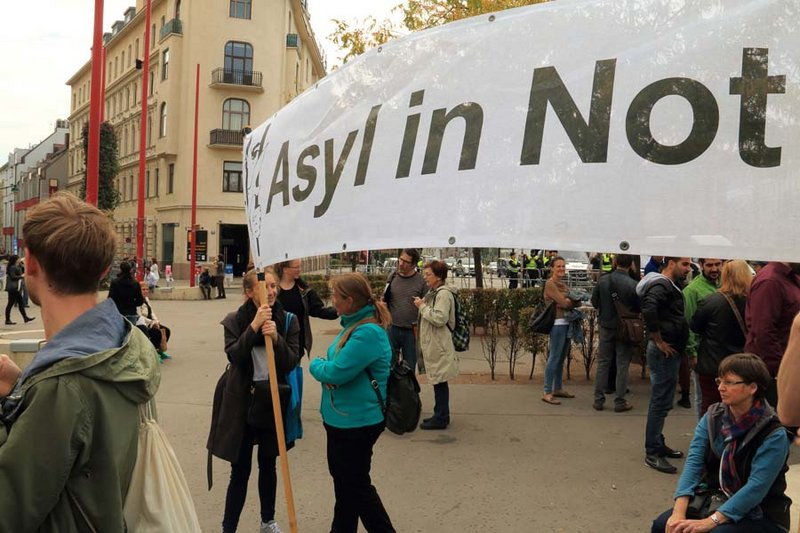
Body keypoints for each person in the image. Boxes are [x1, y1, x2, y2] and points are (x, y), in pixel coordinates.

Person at [0, 193, 160, 530]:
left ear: (30, 264)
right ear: (103, 270)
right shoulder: (126, 344)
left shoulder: (61, 387)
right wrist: (19, 389)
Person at [651, 353, 791, 533]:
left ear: (752, 387)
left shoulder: (772, 433)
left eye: (729, 383)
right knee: (663, 525)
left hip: (761, 511)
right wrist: (678, 513)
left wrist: (710, 522)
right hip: (715, 497)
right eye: (720, 381)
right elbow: (693, 463)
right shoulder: (713, 416)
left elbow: (756, 487)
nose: (720, 388)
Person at [209, 268, 301, 533]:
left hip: (272, 400)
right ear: (250, 292)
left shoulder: (288, 320)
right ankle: (229, 527)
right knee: (240, 470)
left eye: (273, 286)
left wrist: (276, 338)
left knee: (268, 465)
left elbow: (291, 361)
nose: (271, 292)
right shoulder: (235, 321)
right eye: (265, 287)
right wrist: (254, 327)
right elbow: (235, 356)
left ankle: (267, 521)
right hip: (242, 402)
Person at [309, 273, 395, 533]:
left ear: (349, 300)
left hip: (356, 423)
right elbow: (337, 366)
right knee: (346, 488)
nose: (332, 300)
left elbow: (335, 371)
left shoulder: (367, 332)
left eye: (335, 295)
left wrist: (317, 365)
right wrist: (329, 368)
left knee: (356, 488)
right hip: (342, 420)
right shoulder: (354, 325)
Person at [637, 257, 692, 473]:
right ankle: (652, 451)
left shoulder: (668, 285)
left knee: (664, 400)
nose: (688, 269)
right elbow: (649, 308)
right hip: (663, 352)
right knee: (660, 402)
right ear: (671, 263)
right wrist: (658, 340)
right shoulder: (661, 284)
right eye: (684, 264)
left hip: (670, 350)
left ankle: (657, 443)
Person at [691, 260, 752, 414]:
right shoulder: (754, 302)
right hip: (742, 364)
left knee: (711, 408)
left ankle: (710, 430)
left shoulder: (711, 301)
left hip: (712, 364)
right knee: (740, 408)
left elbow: (695, 327)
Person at [744, 262, 800, 406]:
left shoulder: (789, 277)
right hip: (772, 374)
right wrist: (782, 370)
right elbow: (763, 331)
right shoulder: (770, 280)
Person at [591, 253, 639, 412]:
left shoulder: (603, 280)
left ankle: (598, 400)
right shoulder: (633, 284)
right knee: (622, 364)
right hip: (625, 328)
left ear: (615, 262)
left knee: (603, 363)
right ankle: (620, 401)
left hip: (605, 325)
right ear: (631, 264)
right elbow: (638, 307)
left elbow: (594, 302)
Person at [414, 260, 459, 429]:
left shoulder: (443, 294)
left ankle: (440, 418)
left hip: (439, 345)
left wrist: (422, 306)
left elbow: (440, 318)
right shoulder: (434, 292)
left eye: (428, 274)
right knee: (439, 381)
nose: (425, 277)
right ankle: (440, 415)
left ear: (438, 276)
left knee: (440, 381)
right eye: (424, 274)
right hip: (436, 344)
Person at [682, 258, 722, 413]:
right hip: (702, 352)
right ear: (701, 266)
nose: (714, 269)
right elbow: (688, 324)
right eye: (709, 265)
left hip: (721, 351)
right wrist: (692, 353)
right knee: (703, 397)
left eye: (717, 264)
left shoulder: (722, 285)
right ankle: (703, 427)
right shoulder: (692, 291)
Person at [275, 258, 338, 358]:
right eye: (296, 267)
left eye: (300, 266)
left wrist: (339, 311)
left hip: (297, 343)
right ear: (285, 269)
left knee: (294, 367)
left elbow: (318, 310)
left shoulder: (304, 290)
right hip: (276, 341)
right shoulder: (273, 290)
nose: (300, 269)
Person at [542, 256, 580, 405]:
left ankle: (557, 388)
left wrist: (568, 301)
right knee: (554, 357)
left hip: (567, 323)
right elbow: (565, 303)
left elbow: (577, 301)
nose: (561, 269)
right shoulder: (550, 284)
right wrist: (568, 300)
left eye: (563, 266)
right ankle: (547, 392)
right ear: (552, 268)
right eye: (558, 266)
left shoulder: (563, 284)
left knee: (561, 358)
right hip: (557, 324)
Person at [382, 249, 427, 371]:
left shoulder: (422, 282)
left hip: (411, 332)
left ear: (413, 265)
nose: (401, 263)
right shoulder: (392, 277)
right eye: (401, 259)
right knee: (389, 365)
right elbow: (384, 299)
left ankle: (408, 384)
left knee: (409, 368)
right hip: (392, 328)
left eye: (406, 262)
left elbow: (426, 306)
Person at [137, 282, 172, 362]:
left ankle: (160, 351)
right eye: (143, 289)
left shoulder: (146, 299)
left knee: (166, 331)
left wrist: (156, 321)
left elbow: (152, 312)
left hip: (152, 322)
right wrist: (151, 323)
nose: (145, 291)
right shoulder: (137, 301)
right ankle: (154, 353)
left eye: (147, 289)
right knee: (155, 333)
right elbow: (139, 316)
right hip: (144, 324)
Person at [4, 255, 34, 325]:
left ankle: (25, 317)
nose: (19, 260)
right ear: (15, 260)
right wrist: (21, 276)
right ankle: (8, 319)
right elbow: (13, 277)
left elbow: (22, 271)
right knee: (12, 303)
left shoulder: (16, 266)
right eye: (18, 259)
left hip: (14, 288)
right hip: (13, 288)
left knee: (18, 303)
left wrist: (22, 265)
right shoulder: (12, 267)